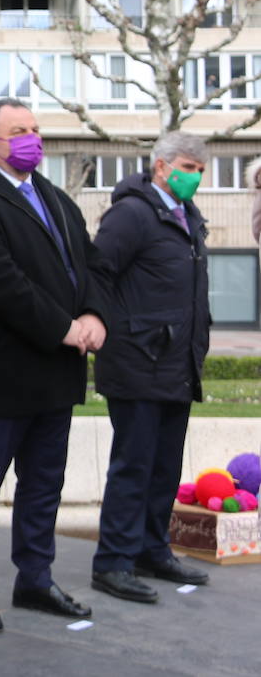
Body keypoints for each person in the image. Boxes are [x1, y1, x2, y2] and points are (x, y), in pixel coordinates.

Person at [0, 97, 106, 633]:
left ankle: (35, 579)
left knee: (43, 485)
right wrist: (64, 327)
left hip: (57, 373)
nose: (32, 138)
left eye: (36, 129)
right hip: (3, 372)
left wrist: (93, 314)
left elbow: (89, 264)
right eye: (19, 131)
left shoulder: (56, 198)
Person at [90, 132, 212, 602]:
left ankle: (151, 549)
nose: (195, 177)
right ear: (161, 167)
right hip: (138, 361)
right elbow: (99, 274)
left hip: (177, 364)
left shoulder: (189, 218)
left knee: (164, 466)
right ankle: (114, 561)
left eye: (201, 170)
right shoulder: (133, 214)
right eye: (188, 167)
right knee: (134, 465)